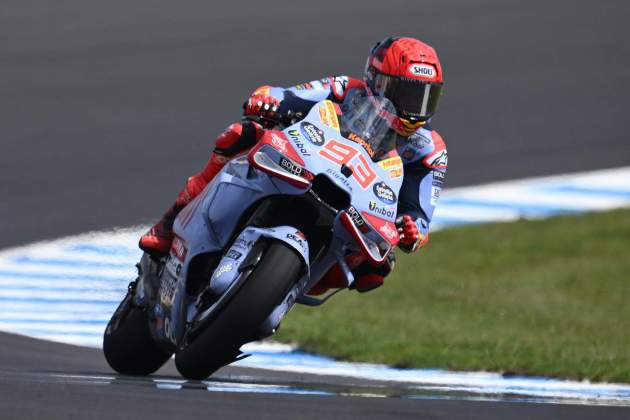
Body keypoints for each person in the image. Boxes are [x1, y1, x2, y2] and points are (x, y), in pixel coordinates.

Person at [139, 36, 448, 293]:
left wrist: (411, 230)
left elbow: (420, 215)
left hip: (359, 203)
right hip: (306, 162)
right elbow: (289, 96)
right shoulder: (344, 89)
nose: (415, 110)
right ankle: (170, 223)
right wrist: (267, 101)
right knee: (241, 135)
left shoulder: (429, 150)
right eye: (407, 95)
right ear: (378, 82)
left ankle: (285, 287)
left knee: (377, 266)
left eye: (426, 98)